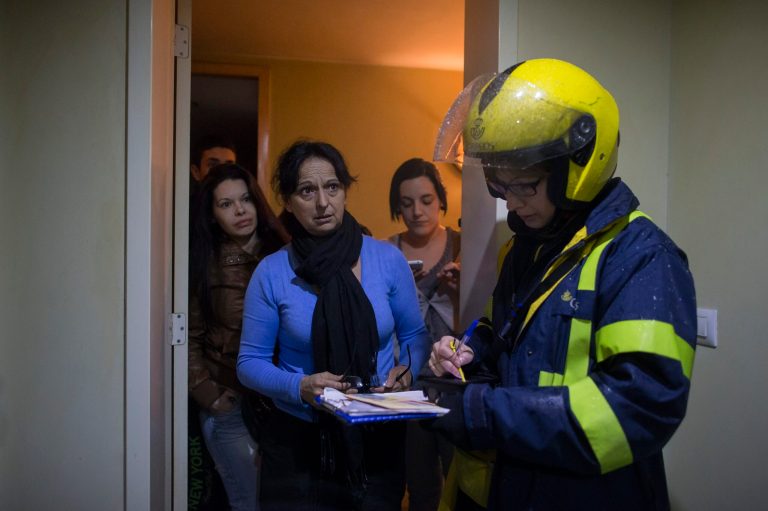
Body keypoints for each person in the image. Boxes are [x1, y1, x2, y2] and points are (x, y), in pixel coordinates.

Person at [426, 58, 697, 510]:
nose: (510, 202)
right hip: (516, 484)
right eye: (499, 186)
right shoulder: (523, 248)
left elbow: (639, 407)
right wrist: (471, 350)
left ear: (579, 166)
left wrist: (479, 413)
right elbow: (501, 331)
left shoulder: (642, 257)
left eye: (525, 185)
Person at [237, 140, 431, 510]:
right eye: (307, 191)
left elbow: (414, 336)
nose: (323, 203)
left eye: (332, 187)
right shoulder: (273, 272)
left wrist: (408, 368)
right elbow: (249, 363)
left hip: (378, 434)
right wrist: (300, 386)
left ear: (345, 190)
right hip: (298, 441)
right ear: (289, 202)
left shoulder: (387, 260)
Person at [188, 163, 289, 511]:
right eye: (226, 204)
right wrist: (207, 394)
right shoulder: (203, 261)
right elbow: (188, 333)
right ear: (213, 214)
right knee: (248, 502)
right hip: (229, 397)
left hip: (282, 402)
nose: (240, 210)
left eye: (245, 199)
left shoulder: (284, 253)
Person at [387, 158, 460, 511]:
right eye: (406, 203)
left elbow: (482, 317)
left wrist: (459, 291)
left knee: (460, 480)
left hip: (457, 381)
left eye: (426, 200)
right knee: (419, 485)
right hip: (409, 382)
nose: (417, 211)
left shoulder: (464, 244)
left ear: (440, 200)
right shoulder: (386, 252)